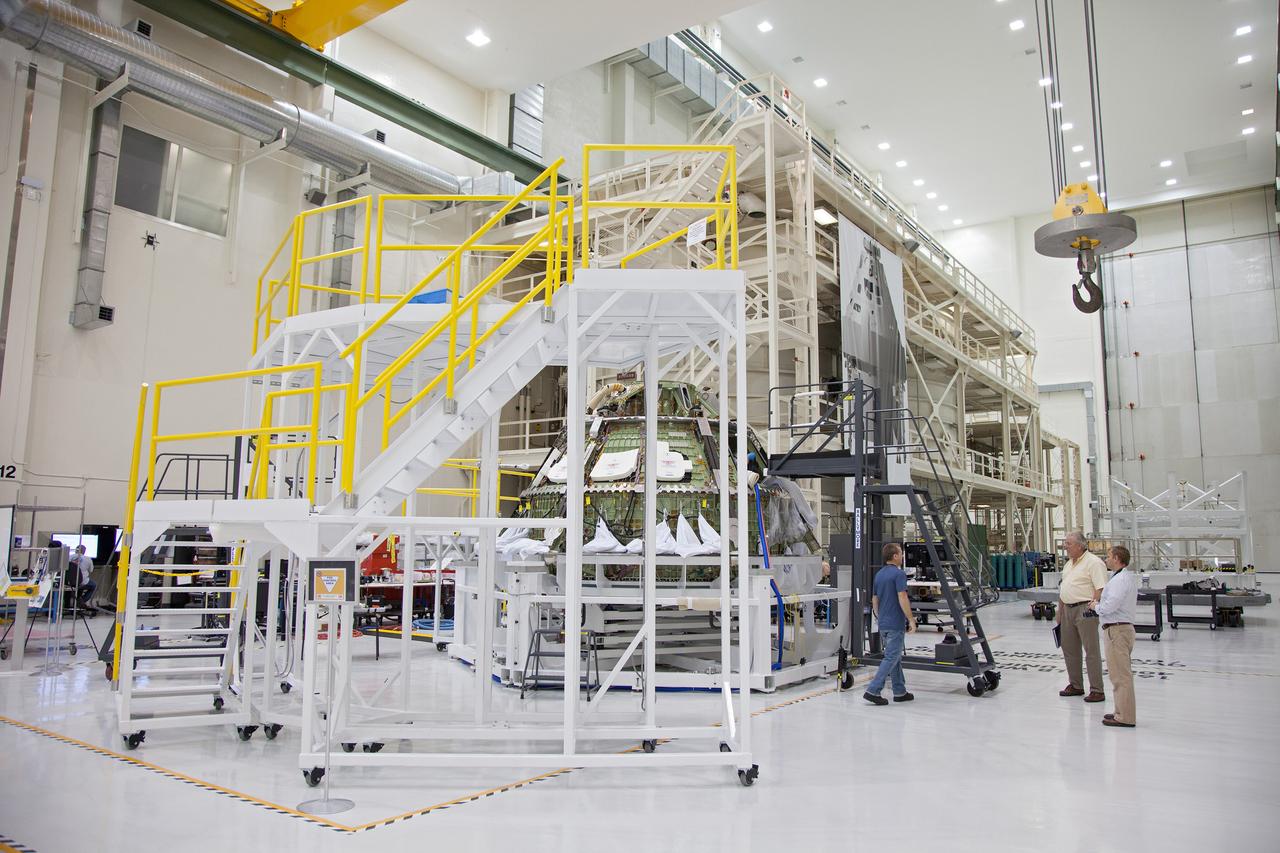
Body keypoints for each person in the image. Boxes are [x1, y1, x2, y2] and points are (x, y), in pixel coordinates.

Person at [1089, 545, 1138, 728]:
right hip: (1119, 628)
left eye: (1109, 556)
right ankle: (1121, 711)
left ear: (1117, 558)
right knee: (1118, 675)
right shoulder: (1121, 577)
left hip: (1117, 630)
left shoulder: (1120, 580)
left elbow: (1111, 605)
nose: (1106, 559)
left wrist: (1096, 607)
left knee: (1121, 676)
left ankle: (1125, 716)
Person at [1056, 531, 1108, 702]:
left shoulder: (1093, 563)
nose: (1065, 546)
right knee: (1069, 649)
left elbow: (1100, 588)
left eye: (1068, 544)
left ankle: (1097, 689)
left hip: (1084, 608)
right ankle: (1076, 685)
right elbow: (1064, 587)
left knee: (1091, 650)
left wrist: (1092, 607)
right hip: (1067, 610)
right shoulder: (1068, 564)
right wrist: (1060, 611)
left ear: (1080, 545)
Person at [863, 542, 917, 705]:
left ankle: (899, 691)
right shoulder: (898, 575)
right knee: (891, 657)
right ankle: (873, 690)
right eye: (900, 553)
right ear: (895, 556)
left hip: (883, 623)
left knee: (895, 657)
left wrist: (881, 617)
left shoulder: (879, 575)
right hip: (895, 623)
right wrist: (911, 619)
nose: (902, 556)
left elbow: (874, 600)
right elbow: (902, 597)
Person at [68, 544, 96, 613]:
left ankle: (69, 605)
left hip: (69, 582)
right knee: (94, 585)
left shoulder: (69, 557)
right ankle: (81, 601)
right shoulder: (88, 559)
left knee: (76, 587)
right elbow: (91, 570)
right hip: (82, 582)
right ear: (84, 551)